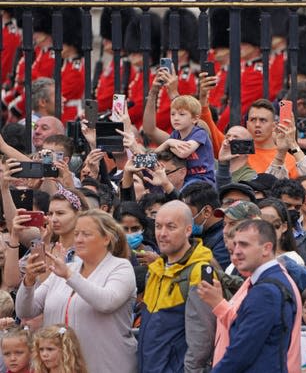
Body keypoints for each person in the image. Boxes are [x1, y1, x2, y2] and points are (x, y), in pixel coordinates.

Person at [16, 210, 137, 373]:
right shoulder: (67, 269)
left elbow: (107, 302)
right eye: (77, 233)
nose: (78, 240)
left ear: (106, 238)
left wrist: (69, 275)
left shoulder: (121, 267)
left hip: (107, 366)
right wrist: (29, 281)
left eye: (86, 234)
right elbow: (25, 311)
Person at [206, 219, 299, 372]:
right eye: (235, 244)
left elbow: (240, 353)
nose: (236, 251)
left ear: (266, 248)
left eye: (244, 244)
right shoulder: (273, 281)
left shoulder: (266, 292)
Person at [137, 200, 215, 373]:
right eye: (158, 226)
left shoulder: (200, 272)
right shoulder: (156, 269)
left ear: (188, 230)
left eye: (171, 227)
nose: (162, 233)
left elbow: (202, 339)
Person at [153, 94, 216, 187]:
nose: (176, 118)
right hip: (183, 177)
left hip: (201, 179)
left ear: (194, 119)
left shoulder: (200, 133)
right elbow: (153, 157)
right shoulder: (175, 134)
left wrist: (169, 145)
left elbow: (183, 153)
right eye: (172, 114)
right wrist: (168, 143)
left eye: (182, 114)